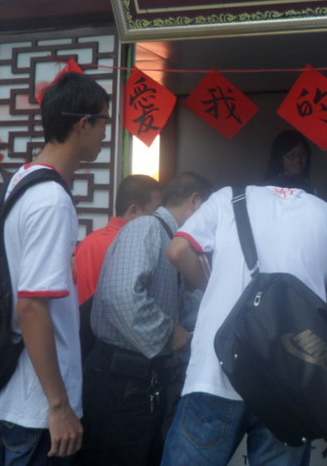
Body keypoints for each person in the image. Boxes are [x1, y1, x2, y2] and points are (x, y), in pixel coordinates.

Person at [161, 182, 327, 466]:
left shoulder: (228, 198)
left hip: (216, 374)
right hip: (290, 389)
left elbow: (177, 250)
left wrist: (213, 288)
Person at [0, 72, 110, 466]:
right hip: (37, 410)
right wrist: (58, 405)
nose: (105, 133)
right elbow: (31, 305)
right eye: (104, 122)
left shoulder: (21, 181)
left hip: (14, 391)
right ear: (83, 124)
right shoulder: (52, 200)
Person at [82, 172, 214, 466]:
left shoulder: (170, 240)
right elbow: (120, 295)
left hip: (141, 381)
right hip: (120, 380)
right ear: (194, 202)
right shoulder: (146, 227)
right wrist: (167, 332)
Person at [74, 174, 162, 305]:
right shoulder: (133, 245)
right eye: (156, 212)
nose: (159, 219)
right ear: (134, 211)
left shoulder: (88, 241)